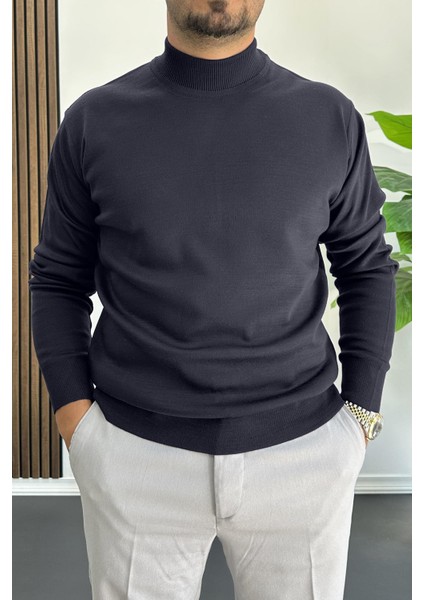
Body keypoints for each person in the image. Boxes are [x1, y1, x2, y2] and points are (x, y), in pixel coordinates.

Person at [28, 1, 399, 598]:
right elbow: (57, 278)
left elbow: (366, 266)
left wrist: (360, 416)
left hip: (304, 455)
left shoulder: (328, 117)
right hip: (134, 455)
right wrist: (77, 421)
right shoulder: (94, 121)